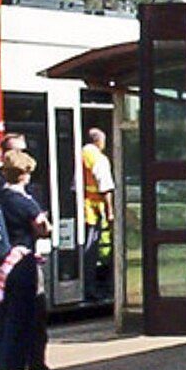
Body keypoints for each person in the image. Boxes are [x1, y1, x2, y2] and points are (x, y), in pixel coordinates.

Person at [0, 150, 50, 370]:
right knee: (19, 319)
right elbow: (43, 229)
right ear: (24, 174)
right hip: (19, 266)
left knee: (0, 321)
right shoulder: (23, 201)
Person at [79, 127, 115, 301]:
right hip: (92, 211)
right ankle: (91, 290)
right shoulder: (99, 159)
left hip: (81, 209)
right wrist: (110, 211)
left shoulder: (79, 154)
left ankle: (87, 287)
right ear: (99, 141)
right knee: (90, 252)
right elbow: (105, 187)